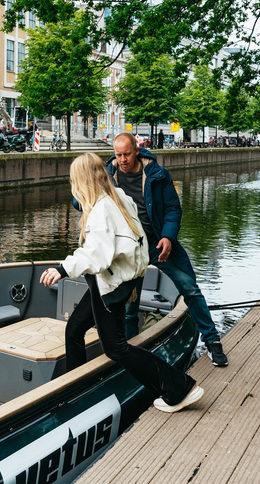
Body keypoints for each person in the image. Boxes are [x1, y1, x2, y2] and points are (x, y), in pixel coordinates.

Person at [40, 153, 203, 413]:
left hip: (110, 284)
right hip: (110, 281)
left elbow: (97, 253)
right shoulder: (119, 198)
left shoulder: (102, 209)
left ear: (81, 180)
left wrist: (62, 268)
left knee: (116, 348)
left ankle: (178, 387)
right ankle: (78, 390)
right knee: (74, 330)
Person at [110, 133, 229, 366]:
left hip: (157, 244)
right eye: (118, 155)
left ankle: (213, 343)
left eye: (126, 154)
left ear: (137, 150)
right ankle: (132, 354)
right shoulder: (108, 176)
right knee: (129, 306)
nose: (122, 159)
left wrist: (168, 237)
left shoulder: (157, 174)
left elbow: (173, 209)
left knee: (190, 288)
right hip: (129, 248)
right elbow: (83, 202)